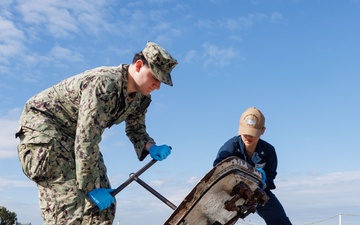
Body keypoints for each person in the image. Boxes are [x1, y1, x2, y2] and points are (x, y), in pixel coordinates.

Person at [15, 41, 178, 225]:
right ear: (139, 65)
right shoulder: (105, 84)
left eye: (161, 82)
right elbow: (86, 137)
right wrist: (90, 187)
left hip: (75, 137)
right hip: (45, 132)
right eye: (155, 77)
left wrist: (150, 146)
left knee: (104, 206)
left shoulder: (140, 98)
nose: (157, 86)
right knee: (72, 206)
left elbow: (135, 129)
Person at [213, 107, 292, 225]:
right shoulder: (231, 146)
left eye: (252, 134)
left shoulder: (269, 151)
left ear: (263, 130)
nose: (248, 137)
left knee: (279, 218)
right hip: (229, 192)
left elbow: (270, 176)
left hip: (257, 191)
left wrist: (263, 182)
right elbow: (218, 167)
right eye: (245, 133)